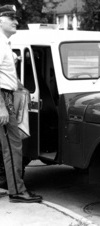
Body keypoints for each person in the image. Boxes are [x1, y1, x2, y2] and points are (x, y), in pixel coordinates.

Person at [0, 4, 42, 203]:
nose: (16, 22)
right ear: (0, 20)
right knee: (13, 146)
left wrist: (20, 84)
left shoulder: (5, 43)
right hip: (3, 98)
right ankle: (17, 191)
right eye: (11, 18)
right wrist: (1, 106)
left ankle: (9, 185)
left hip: (7, 95)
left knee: (7, 146)